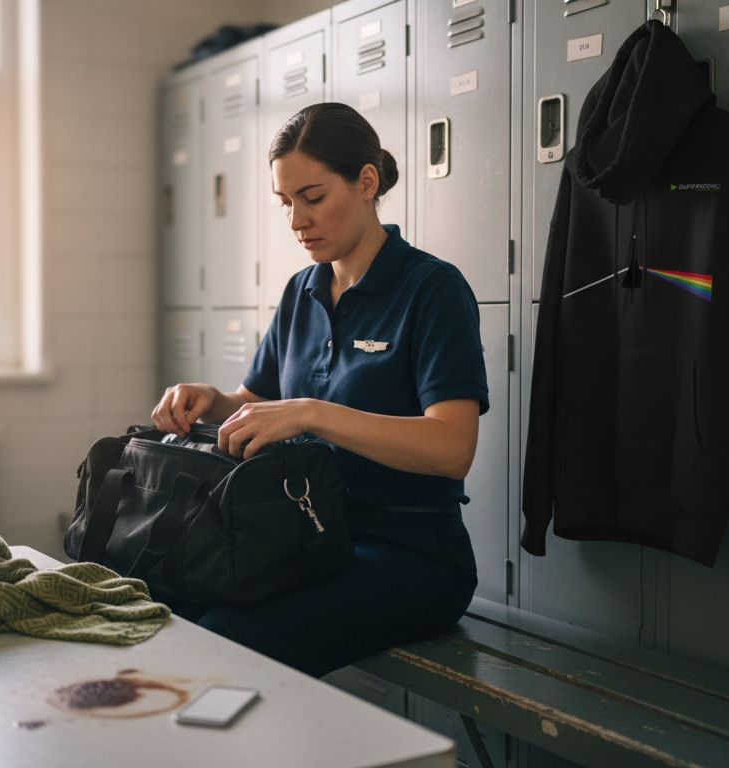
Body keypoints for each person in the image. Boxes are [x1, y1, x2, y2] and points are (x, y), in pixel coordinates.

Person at [150, 102, 489, 678]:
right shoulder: (301, 290)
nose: (296, 222)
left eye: (312, 198)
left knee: (225, 645)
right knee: (165, 603)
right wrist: (214, 402)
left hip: (410, 555)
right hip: (302, 536)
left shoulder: (432, 289)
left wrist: (313, 414)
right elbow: (257, 405)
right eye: (286, 204)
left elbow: (452, 447)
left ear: (366, 182)